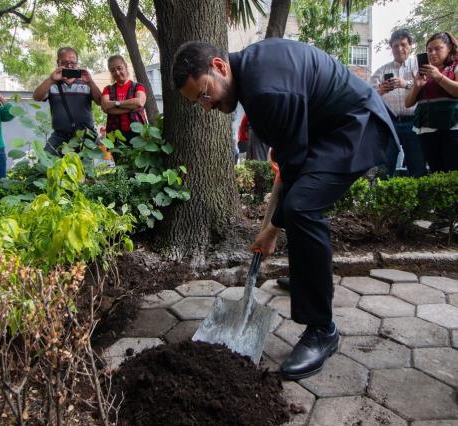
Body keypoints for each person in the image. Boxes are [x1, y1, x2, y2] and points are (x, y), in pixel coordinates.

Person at [172, 40, 397, 380]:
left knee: (303, 208)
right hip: (328, 132)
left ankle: (322, 330)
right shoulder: (252, 77)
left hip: (358, 126)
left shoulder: (265, 91)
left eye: (204, 94)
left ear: (218, 66)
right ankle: (309, 278)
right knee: (296, 203)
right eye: (197, 103)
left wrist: (272, 228)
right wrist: (271, 225)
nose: (206, 106)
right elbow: (288, 167)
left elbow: (295, 169)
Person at [372, 29, 427, 177]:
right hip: (389, 123)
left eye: (403, 44)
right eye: (395, 46)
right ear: (391, 48)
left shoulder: (419, 67)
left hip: (414, 122)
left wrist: (406, 84)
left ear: (410, 46)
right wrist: (380, 90)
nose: (399, 49)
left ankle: (420, 198)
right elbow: (368, 95)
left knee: (417, 165)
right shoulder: (381, 70)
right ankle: (383, 197)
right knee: (385, 165)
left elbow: (429, 86)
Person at [405, 32, 458, 173]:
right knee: (435, 171)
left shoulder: (455, 66)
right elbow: (408, 103)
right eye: (429, 50)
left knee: (453, 169)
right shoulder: (423, 72)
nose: (432, 53)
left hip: (451, 126)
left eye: (438, 48)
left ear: (449, 48)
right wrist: (417, 86)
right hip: (426, 126)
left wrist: (439, 77)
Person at [32, 47, 102, 154]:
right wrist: (51, 79)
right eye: (64, 62)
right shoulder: (52, 83)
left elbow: (100, 101)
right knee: (46, 163)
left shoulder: (85, 82)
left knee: (84, 169)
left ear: (77, 63)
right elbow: (36, 97)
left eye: (73, 62)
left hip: (85, 136)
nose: (69, 65)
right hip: (60, 136)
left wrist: (90, 82)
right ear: (58, 63)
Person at [101, 55, 147, 143]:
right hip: (115, 135)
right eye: (113, 71)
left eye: (119, 68)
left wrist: (115, 104)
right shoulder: (108, 89)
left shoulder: (138, 86)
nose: (117, 73)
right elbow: (105, 106)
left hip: (138, 134)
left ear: (125, 66)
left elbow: (139, 102)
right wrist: (131, 108)